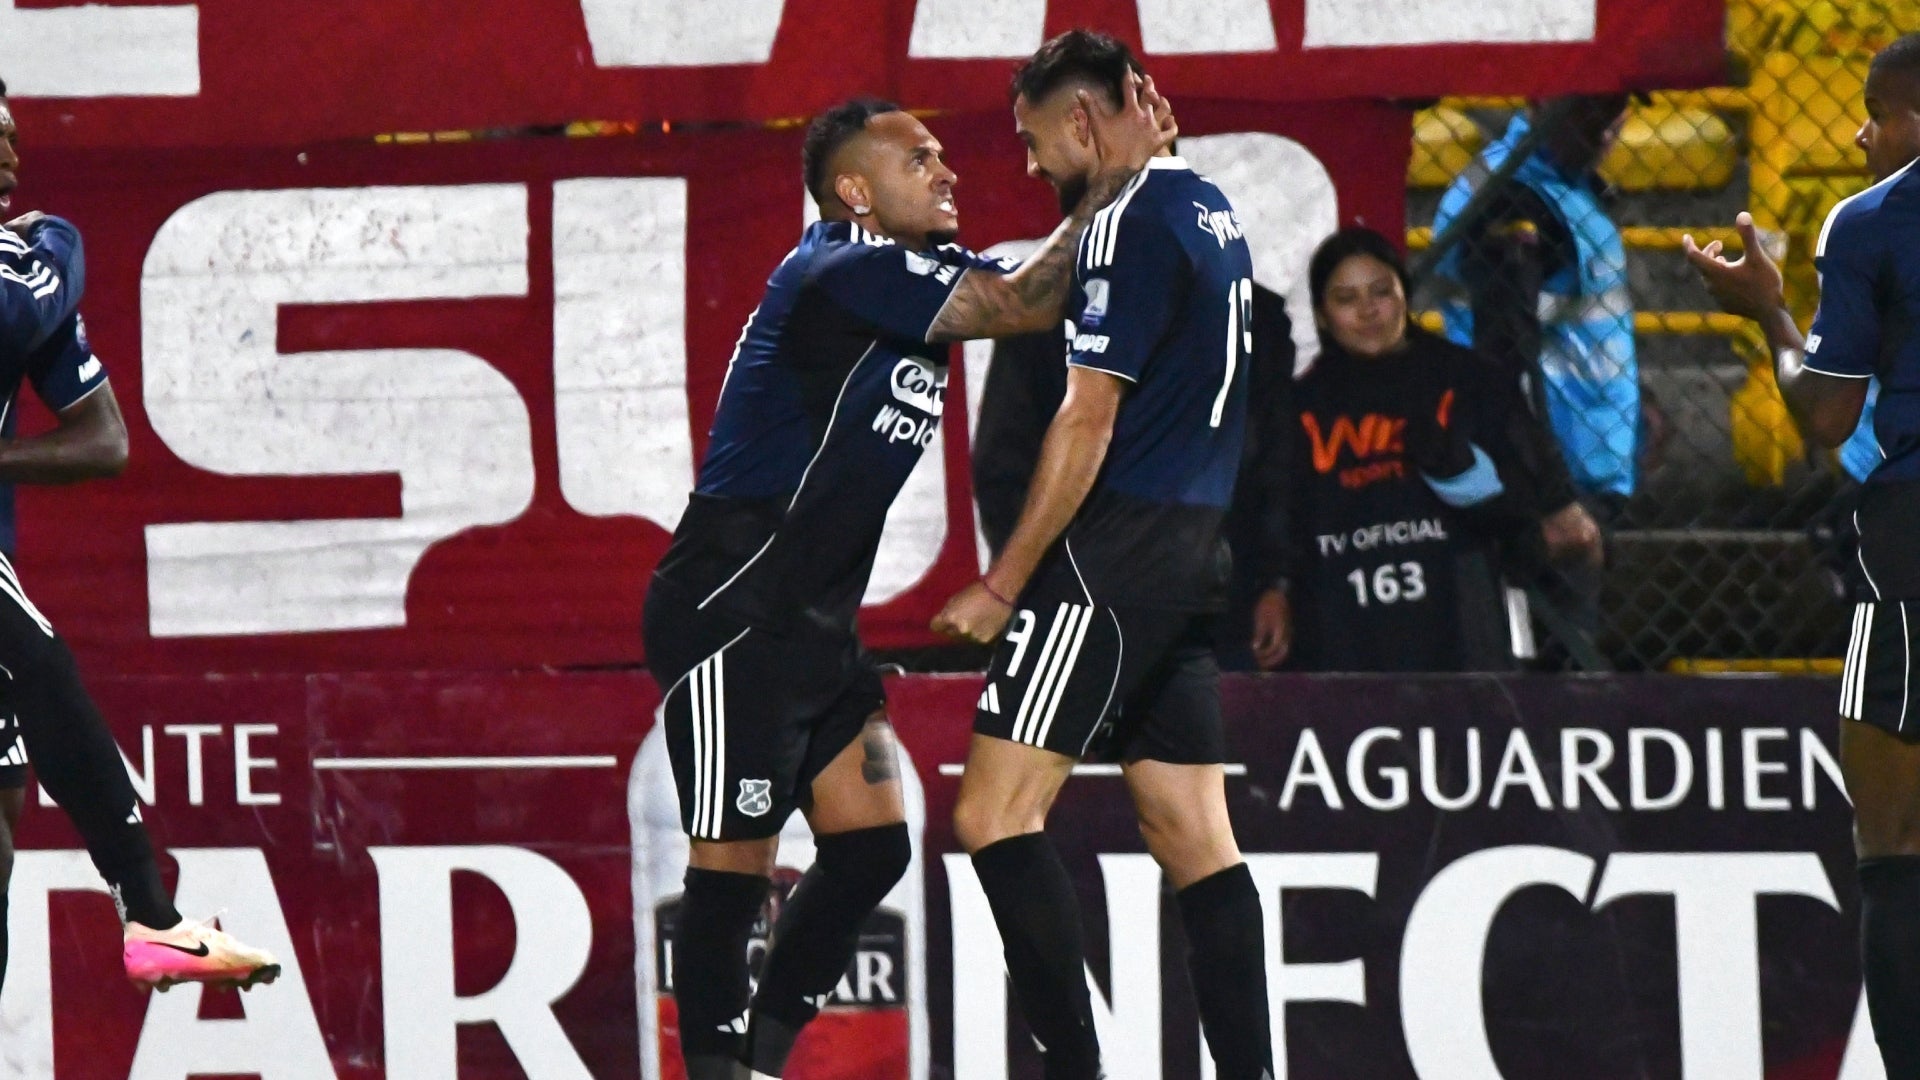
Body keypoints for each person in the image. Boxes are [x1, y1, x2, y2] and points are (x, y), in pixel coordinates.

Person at [642, 87, 1172, 1080]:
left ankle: (756, 1056)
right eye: (918, 160)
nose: (949, 170)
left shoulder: (914, 274)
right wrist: (1117, 177)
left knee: (871, 847)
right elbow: (1027, 299)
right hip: (734, 608)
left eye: (943, 155)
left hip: (813, 622)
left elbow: (1039, 292)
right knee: (732, 866)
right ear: (855, 192)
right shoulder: (840, 267)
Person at [932, 30, 1272, 1080]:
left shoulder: (1126, 222)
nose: (1029, 166)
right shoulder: (1207, 207)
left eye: (1038, 142)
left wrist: (1004, 581)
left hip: (1113, 556)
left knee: (993, 814)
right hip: (1192, 554)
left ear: (1085, 119)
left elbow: (1085, 420)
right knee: (1192, 833)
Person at [0, 78, 278, 994]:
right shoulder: (26, 263)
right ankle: (153, 918)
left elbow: (103, 440)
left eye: (5, 102)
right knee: (37, 661)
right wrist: (58, 247)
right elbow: (28, 291)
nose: (7, 127)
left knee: (1, 819)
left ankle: (152, 919)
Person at [1684, 32, 1920, 1077]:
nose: (1863, 132)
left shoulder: (1873, 220)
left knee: (1895, 844)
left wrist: (1770, 310)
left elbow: (1826, 416)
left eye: (1877, 110)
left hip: (1913, 540)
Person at [1260, 227, 1602, 672]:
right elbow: (1277, 516)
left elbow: (1569, 528)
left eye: (1381, 291)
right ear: (1322, 316)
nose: (1367, 310)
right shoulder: (1296, 408)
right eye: (1346, 299)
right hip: (1343, 642)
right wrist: (1275, 588)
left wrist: (1498, 517)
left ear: (1405, 294)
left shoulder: (1473, 382)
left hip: (1461, 638)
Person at [1430, 94, 1639, 664]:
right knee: (1550, 690)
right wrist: (1552, 499)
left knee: (1563, 674)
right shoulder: (1513, 198)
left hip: (1578, 470)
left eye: (1613, 112)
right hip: (1538, 486)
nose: (1603, 130)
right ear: (1542, 100)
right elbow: (1500, 365)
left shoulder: (1566, 189)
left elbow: (1574, 331)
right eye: (1585, 111)